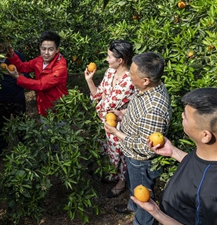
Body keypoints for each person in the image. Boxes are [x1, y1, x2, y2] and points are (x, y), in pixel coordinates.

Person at [132, 87, 217, 225]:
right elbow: (199, 169)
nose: (182, 116)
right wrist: (173, 152)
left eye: (186, 116)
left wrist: (156, 212)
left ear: (205, 135)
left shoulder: (210, 192)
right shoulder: (208, 153)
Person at [104, 52, 172, 225]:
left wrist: (117, 133)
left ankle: (142, 221)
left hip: (140, 159)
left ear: (146, 80)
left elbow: (144, 146)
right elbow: (137, 109)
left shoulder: (154, 108)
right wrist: (123, 114)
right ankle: (132, 206)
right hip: (130, 152)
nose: (129, 76)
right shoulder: (146, 89)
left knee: (144, 197)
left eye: (132, 74)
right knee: (134, 186)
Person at [84, 40, 135, 198]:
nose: (106, 59)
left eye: (109, 56)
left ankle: (122, 183)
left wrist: (104, 100)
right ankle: (112, 175)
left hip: (119, 125)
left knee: (121, 154)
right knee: (108, 150)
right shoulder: (109, 72)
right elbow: (98, 96)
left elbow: (106, 103)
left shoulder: (129, 81)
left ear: (120, 60)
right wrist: (89, 80)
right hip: (106, 121)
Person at [5, 30, 68, 117]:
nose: (46, 53)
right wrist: (12, 55)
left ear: (57, 49)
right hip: (43, 105)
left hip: (57, 109)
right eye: (43, 49)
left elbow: (41, 85)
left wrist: (18, 77)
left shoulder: (60, 67)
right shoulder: (40, 60)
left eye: (50, 49)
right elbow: (23, 67)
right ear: (40, 48)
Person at [0, 40, 29, 156]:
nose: (1, 48)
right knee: (2, 127)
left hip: (17, 97)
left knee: (22, 124)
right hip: (0, 99)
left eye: (4, 46)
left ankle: (25, 149)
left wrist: (17, 76)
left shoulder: (17, 56)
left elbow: (26, 74)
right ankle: (1, 152)